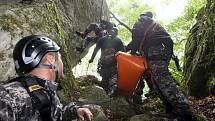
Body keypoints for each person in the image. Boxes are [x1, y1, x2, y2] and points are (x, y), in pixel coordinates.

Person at [0, 35, 93, 121]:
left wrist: (74, 111)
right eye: (60, 58)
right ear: (50, 59)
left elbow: (54, 116)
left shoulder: (47, 92)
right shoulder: (6, 96)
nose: (62, 63)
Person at [126, 11, 192, 120]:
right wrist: (167, 56)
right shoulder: (156, 26)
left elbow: (135, 40)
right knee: (158, 84)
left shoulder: (139, 23)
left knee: (165, 84)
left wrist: (131, 51)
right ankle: (172, 110)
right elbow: (169, 41)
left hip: (153, 58)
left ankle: (184, 112)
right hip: (159, 56)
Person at [88, 27, 125, 96]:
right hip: (111, 63)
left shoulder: (103, 39)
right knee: (111, 78)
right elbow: (123, 52)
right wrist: (92, 58)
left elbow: (96, 49)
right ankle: (111, 90)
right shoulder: (118, 40)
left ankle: (108, 92)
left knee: (106, 78)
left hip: (106, 63)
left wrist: (92, 59)